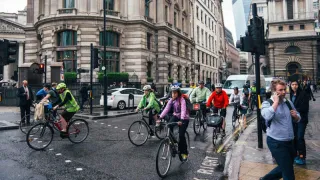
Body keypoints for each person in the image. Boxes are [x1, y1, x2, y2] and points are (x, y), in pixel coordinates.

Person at [260, 79, 301, 180]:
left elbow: (298, 117)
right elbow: (266, 115)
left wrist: (296, 116)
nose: (284, 92)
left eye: (285, 89)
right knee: (288, 173)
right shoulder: (267, 103)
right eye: (280, 90)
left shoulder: (288, 103)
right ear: (274, 91)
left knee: (285, 167)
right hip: (276, 142)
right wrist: (275, 103)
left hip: (290, 141)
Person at [159, 85, 189, 161]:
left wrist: (182, 120)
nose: (174, 94)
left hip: (184, 118)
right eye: (172, 93)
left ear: (178, 93)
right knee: (169, 125)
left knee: (181, 135)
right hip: (176, 116)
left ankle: (184, 152)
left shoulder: (182, 100)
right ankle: (172, 143)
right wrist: (160, 117)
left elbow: (183, 110)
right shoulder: (171, 100)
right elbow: (166, 109)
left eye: (175, 93)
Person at [290, 80, 310, 165]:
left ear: (298, 85)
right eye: (293, 84)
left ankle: (302, 156)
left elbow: (305, 108)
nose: (294, 86)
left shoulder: (303, 94)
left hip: (302, 119)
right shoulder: (290, 95)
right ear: (290, 85)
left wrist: (294, 111)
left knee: (300, 137)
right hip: (293, 119)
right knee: (294, 137)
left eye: (296, 84)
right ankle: (295, 155)